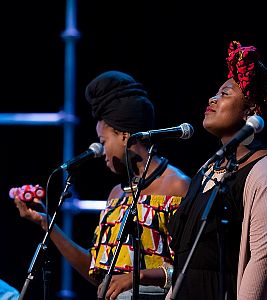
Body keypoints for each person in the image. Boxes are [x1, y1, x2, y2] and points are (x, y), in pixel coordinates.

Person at [13, 70, 191, 299]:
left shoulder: (177, 186)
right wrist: (47, 224)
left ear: (125, 136)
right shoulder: (117, 194)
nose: (101, 151)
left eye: (103, 141)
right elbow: (99, 275)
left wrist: (140, 276)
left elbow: (195, 268)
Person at [167, 41, 267, 300]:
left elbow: (265, 260)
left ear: (250, 111)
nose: (212, 99)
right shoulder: (208, 168)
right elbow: (187, 260)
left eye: (225, 94)